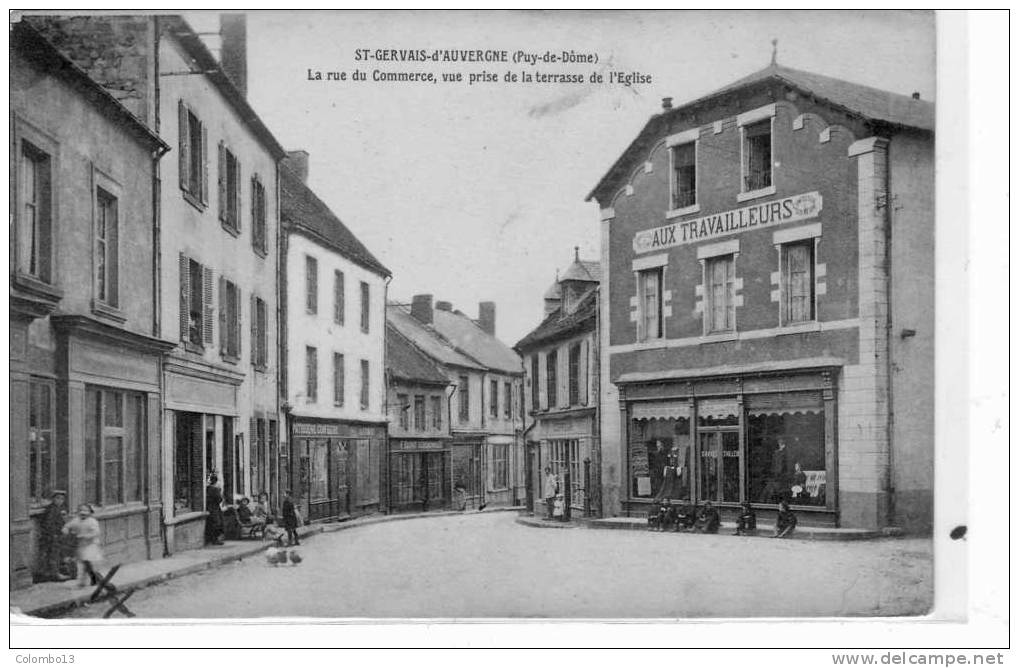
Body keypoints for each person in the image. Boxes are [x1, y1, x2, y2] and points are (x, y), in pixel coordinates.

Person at [62, 504, 103, 587]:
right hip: (81, 545)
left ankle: (95, 577)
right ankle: (85, 580)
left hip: (91, 544)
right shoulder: (76, 520)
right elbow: (69, 525)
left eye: (85, 511)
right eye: (81, 511)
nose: (82, 513)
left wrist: (87, 536)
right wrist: (65, 529)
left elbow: (96, 532)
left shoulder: (92, 521)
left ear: (90, 512)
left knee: (88, 561)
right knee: (82, 563)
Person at [38, 490, 70, 582]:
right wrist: (54, 535)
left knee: (57, 554)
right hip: (52, 536)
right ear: (53, 499)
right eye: (57, 498)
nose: (60, 500)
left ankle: (54, 573)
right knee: (53, 555)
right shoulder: (52, 509)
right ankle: (55, 575)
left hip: (57, 535)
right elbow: (48, 524)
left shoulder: (59, 508)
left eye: (62, 499)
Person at [758, 438, 790, 503]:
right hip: (777, 477)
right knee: (769, 490)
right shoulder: (778, 453)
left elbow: (780, 466)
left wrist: (777, 474)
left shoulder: (782, 453)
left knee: (770, 490)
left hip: (779, 478)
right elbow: (776, 465)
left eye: (780, 443)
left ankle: (764, 502)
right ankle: (764, 502)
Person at [205, 474, 225, 545]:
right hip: (214, 508)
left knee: (211, 523)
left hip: (208, 507)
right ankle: (215, 540)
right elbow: (219, 499)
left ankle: (210, 539)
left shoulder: (206, 488)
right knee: (217, 523)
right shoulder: (215, 489)